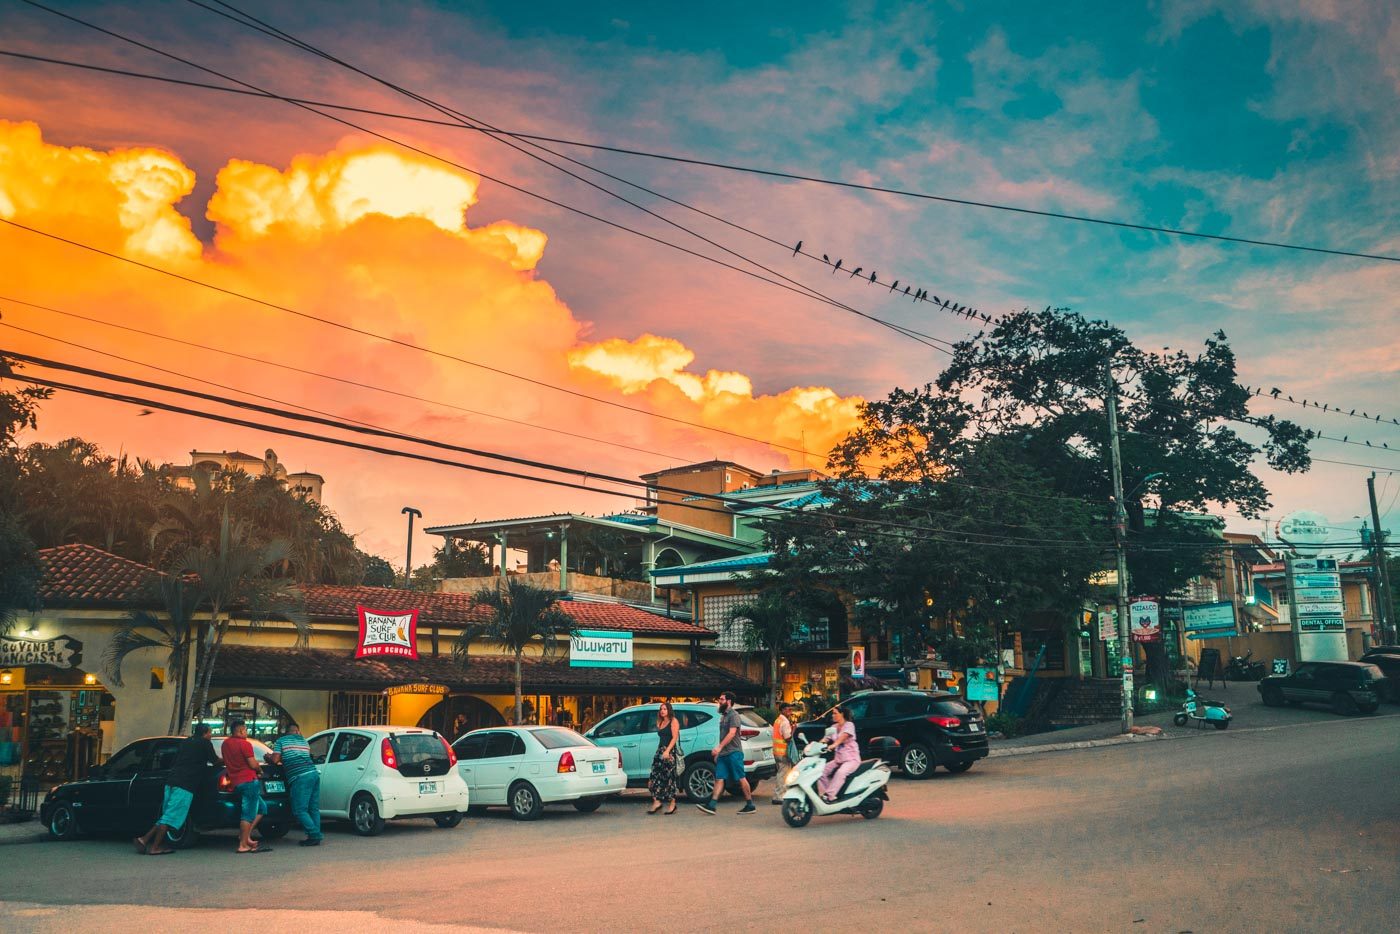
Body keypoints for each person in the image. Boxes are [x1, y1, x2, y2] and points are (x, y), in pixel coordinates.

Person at [134, 723, 220, 856]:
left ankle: (144, 839)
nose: (211, 735)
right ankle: (154, 847)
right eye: (210, 732)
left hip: (172, 781)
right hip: (185, 784)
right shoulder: (204, 743)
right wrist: (226, 760)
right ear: (205, 733)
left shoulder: (185, 742)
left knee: (166, 814)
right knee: (170, 817)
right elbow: (214, 761)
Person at [696, 691, 754, 815]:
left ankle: (750, 805)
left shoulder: (734, 715)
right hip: (723, 754)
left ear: (728, 701)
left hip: (734, 752)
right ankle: (712, 805)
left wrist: (718, 747)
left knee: (740, 778)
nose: (719, 701)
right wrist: (719, 752)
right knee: (719, 778)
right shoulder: (723, 716)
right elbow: (723, 735)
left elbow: (732, 733)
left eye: (721, 699)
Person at [268, 722, 321, 847]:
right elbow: (299, 756)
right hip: (313, 774)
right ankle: (315, 835)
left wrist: (268, 757)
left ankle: (314, 834)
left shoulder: (281, 741)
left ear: (286, 731)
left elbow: (275, 760)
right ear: (298, 731)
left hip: (300, 777)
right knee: (313, 808)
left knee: (299, 810)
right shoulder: (304, 741)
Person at [223, 718, 271, 853]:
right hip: (249, 781)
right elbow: (252, 763)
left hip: (236, 782)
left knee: (262, 808)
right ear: (240, 730)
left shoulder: (225, 744)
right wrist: (260, 771)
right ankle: (243, 844)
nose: (246, 732)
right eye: (245, 729)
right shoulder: (245, 744)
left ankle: (246, 836)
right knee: (248, 814)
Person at [817, 705, 859, 803]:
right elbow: (825, 738)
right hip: (838, 759)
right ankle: (824, 795)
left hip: (851, 759)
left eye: (835, 713)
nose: (833, 715)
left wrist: (834, 744)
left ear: (842, 714)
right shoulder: (833, 727)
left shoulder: (849, 725)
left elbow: (843, 737)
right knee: (820, 771)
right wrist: (816, 746)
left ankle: (830, 796)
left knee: (841, 772)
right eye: (833, 713)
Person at [646, 701, 681, 815]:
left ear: (669, 710)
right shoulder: (660, 722)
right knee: (655, 776)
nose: (662, 711)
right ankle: (656, 801)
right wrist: (661, 751)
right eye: (661, 709)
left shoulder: (673, 721)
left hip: (669, 752)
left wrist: (667, 751)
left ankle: (672, 803)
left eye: (665, 709)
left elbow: (674, 737)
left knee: (668, 777)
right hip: (660, 751)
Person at [770, 702, 797, 805]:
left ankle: (781, 794)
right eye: (788, 710)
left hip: (777, 751)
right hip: (783, 752)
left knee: (781, 773)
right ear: (783, 710)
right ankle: (778, 796)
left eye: (790, 710)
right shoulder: (785, 722)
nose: (790, 712)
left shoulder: (777, 720)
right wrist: (794, 729)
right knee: (783, 774)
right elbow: (788, 738)